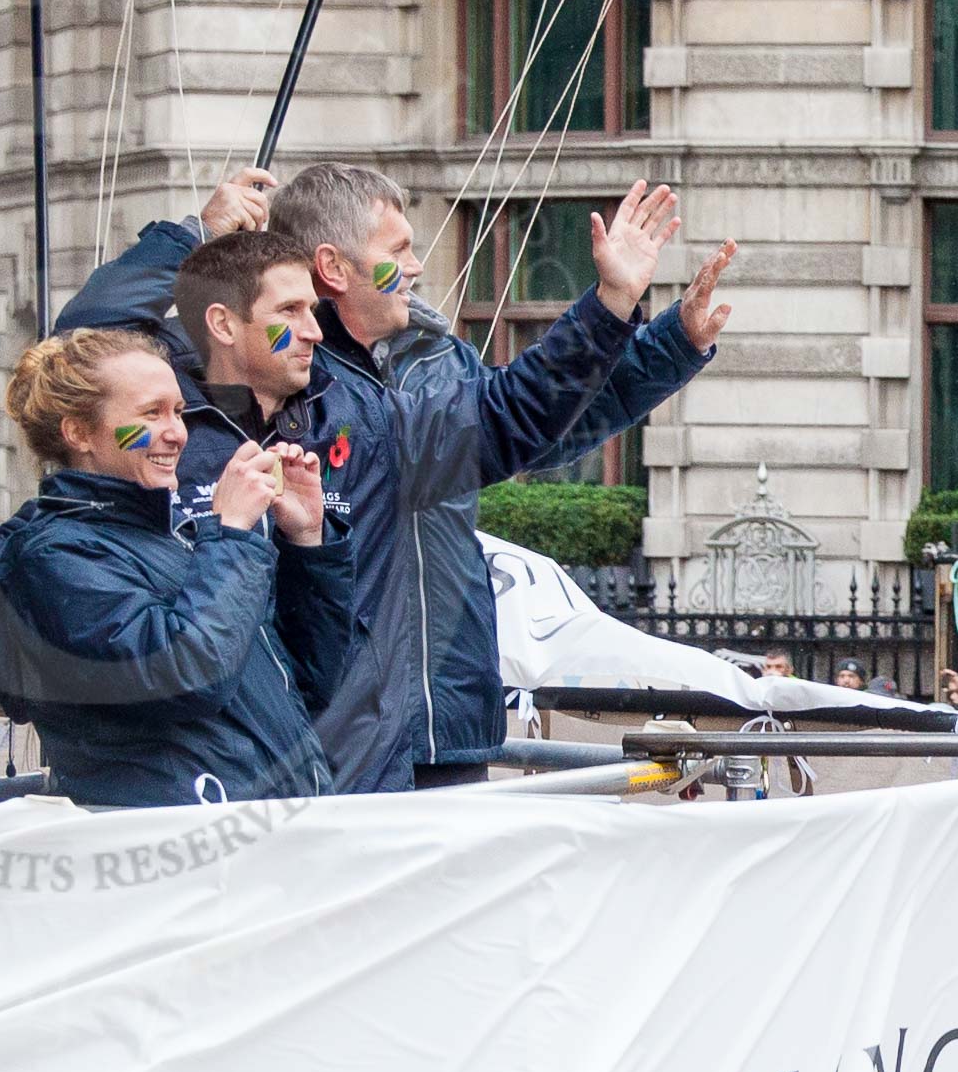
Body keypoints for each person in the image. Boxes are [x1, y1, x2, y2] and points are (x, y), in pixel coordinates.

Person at [58, 173, 692, 793]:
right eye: (398, 251)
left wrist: (651, 335)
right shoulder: (224, 394)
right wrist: (192, 234)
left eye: (307, 312)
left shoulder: (421, 370)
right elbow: (85, 347)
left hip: (432, 724)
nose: (417, 268)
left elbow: (524, 422)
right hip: (302, 745)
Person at [267, 164, 734, 788]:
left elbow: (537, 426)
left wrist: (669, 345)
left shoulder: (435, 358)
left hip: (449, 719)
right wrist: (612, 303)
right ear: (333, 266)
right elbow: (511, 415)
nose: (415, 265)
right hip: (343, 732)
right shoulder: (291, 384)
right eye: (399, 249)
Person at [0, 327, 356, 807]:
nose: (177, 432)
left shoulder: (177, 540)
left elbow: (309, 683)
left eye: (177, 410)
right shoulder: (51, 557)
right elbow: (187, 677)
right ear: (78, 432)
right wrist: (233, 532)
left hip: (264, 837)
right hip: (173, 849)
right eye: (150, 413)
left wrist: (307, 543)